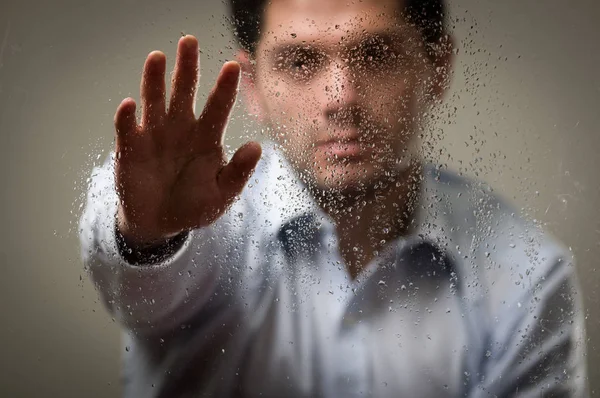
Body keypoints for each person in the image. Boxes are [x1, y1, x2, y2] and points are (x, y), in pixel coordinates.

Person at [79, 0, 588, 396]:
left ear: (437, 68)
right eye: (301, 61)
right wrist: (149, 237)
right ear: (252, 84)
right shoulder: (208, 228)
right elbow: (142, 292)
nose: (341, 98)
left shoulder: (527, 274)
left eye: (377, 55)